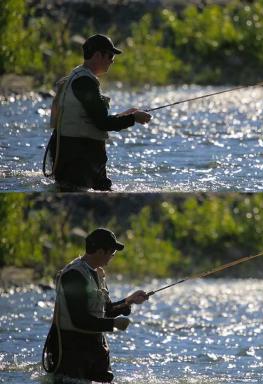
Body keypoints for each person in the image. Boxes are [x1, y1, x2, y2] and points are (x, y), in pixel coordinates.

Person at [45, 34, 152, 191]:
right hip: (78, 158)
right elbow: (102, 123)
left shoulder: (78, 76)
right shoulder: (85, 82)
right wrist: (133, 118)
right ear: (97, 55)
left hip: (74, 155)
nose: (112, 60)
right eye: (110, 55)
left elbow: (93, 119)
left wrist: (127, 114)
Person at [42, 228, 150, 383]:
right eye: (112, 252)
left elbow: (105, 310)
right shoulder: (74, 275)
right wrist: (114, 324)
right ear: (100, 252)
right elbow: (79, 319)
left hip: (94, 347)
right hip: (71, 349)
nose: (113, 256)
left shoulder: (97, 273)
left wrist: (129, 301)